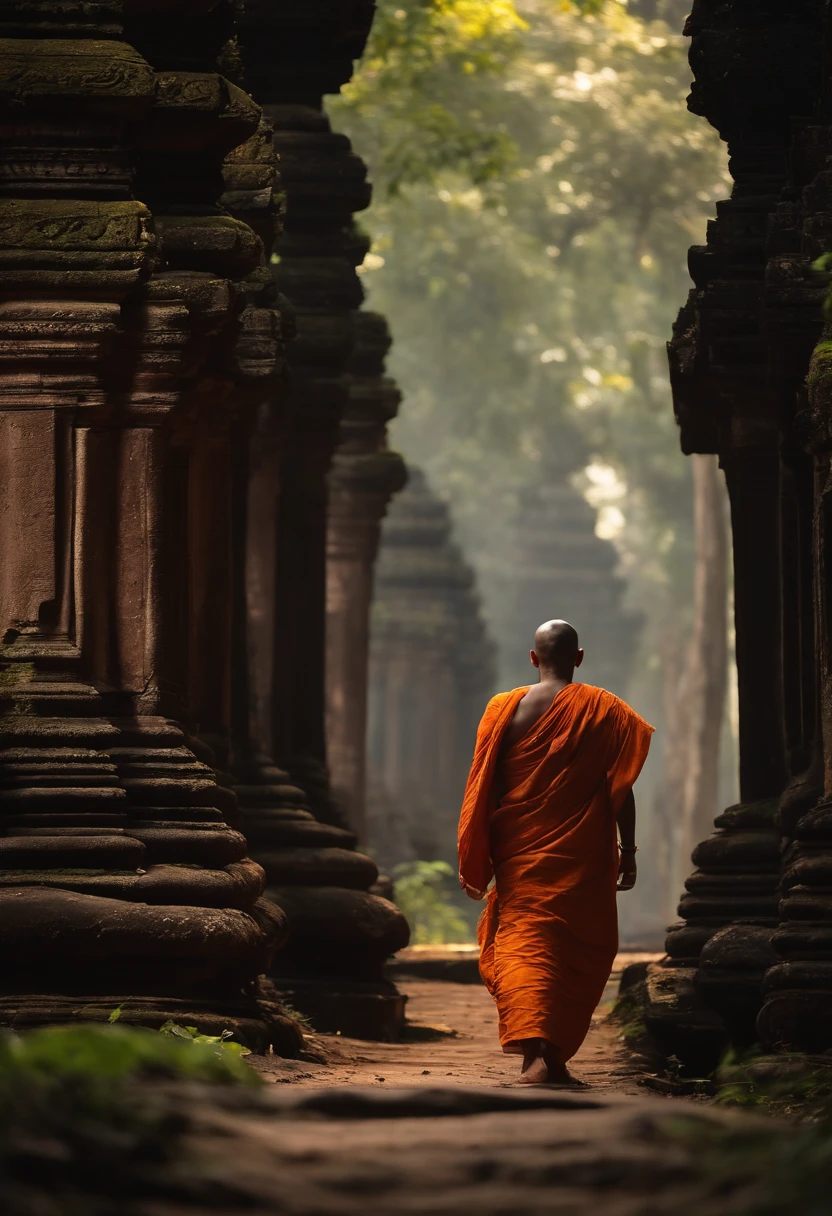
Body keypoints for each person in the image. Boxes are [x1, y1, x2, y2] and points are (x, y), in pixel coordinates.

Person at [457, 619, 653, 1085]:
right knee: (570, 950)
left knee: (525, 946)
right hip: (580, 856)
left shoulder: (503, 709)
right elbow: (620, 788)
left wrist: (480, 848)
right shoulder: (605, 709)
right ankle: (549, 1057)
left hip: (520, 850)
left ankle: (542, 1059)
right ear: (579, 657)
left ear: (532, 657)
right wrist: (629, 850)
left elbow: (485, 785)